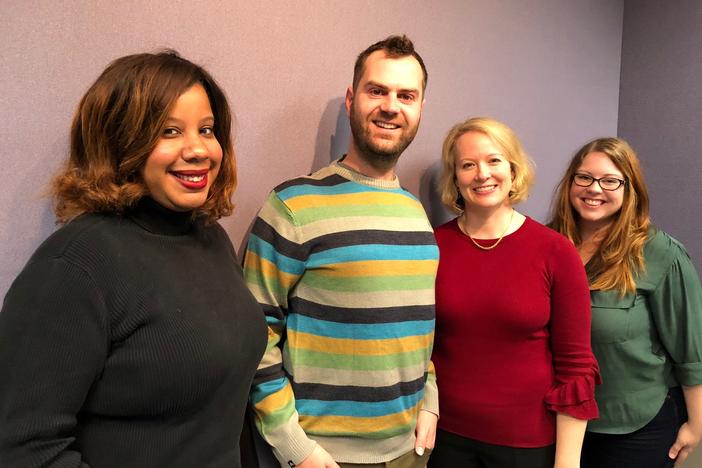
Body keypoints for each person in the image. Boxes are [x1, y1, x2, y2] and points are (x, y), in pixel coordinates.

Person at [0, 51, 267, 468]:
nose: (198, 149)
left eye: (207, 129)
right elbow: (23, 447)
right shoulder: (77, 263)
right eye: (170, 131)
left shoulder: (210, 238)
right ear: (121, 139)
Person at [243, 35, 438, 468]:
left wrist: (430, 399)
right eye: (377, 91)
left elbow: (416, 328)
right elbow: (255, 334)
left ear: (421, 109)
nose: (391, 106)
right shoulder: (293, 206)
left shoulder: (417, 214)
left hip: (409, 453)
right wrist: (296, 448)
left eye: (406, 95)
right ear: (352, 99)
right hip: (321, 457)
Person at [429, 117, 601, 468]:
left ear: (513, 168)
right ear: (455, 178)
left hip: (527, 445)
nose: (482, 174)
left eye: (493, 160)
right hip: (444, 440)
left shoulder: (555, 251)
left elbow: (576, 365)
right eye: (467, 165)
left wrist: (567, 463)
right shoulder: (433, 246)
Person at [548, 137, 702, 468]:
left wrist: (697, 424)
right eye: (584, 177)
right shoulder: (545, 245)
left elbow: (691, 350)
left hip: (633, 425)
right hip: (554, 419)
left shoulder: (660, 254)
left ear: (630, 188)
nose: (594, 189)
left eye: (610, 181)